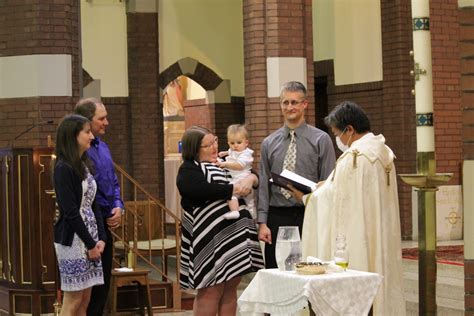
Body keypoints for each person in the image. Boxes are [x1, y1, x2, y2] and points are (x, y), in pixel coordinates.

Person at [294, 101, 406, 315]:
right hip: (380, 236)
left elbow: (337, 205)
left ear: (350, 130)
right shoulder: (383, 153)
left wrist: (309, 197)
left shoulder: (353, 158)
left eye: (337, 133)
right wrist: (328, 185)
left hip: (356, 243)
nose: (338, 139)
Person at [177, 126, 264, 315]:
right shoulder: (188, 169)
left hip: (234, 233)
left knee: (231, 285)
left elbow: (251, 172)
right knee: (211, 288)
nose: (214, 147)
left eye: (214, 141)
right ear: (194, 149)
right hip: (210, 235)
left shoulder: (225, 160)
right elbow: (199, 190)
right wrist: (231, 190)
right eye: (207, 145)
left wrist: (251, 178)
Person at [257, 81, 336, 268]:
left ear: (304, 104)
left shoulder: (321, 140)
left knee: (308, 270)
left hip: (308, 214)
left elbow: (329, 183)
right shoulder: (269, 143)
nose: (289, 107)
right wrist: (262, 222)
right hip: (277, 216)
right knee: (276, 271)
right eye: (285, 102)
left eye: (294, 102)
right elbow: (263, 185)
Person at [74, 98, 124, 316]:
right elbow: (89, 191)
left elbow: (112, 181)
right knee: (85, 291)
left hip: (105, 223)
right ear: (86, 121)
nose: (107, 122)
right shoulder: (80, 153)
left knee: (102, 282)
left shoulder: (103, 147)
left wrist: (118, 205)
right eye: (101, 119)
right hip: (88, 223)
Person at [53, 114, 106, 315]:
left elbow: (94, 204)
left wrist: (101, 237)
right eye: (87, 132)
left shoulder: (84, 164)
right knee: (73, 300)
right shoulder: (63, 168)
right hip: (74, 240)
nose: (91, 136)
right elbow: (71, 212)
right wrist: (90, 244)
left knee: (85, 300)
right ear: (73, 136)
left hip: (91, 238)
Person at [217, 124, 255, 220]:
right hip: (236, 178)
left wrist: (225, 164)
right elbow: (230, 152)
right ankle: (239, 212)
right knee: (247, 202)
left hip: (242, 179)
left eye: (239, 142)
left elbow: (239, 166)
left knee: (231, 193)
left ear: (246, 143)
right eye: (232, 143)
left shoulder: (246, 154)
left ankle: (237, 212)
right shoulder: (234, 150)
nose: (235, 146)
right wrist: (224, 153)